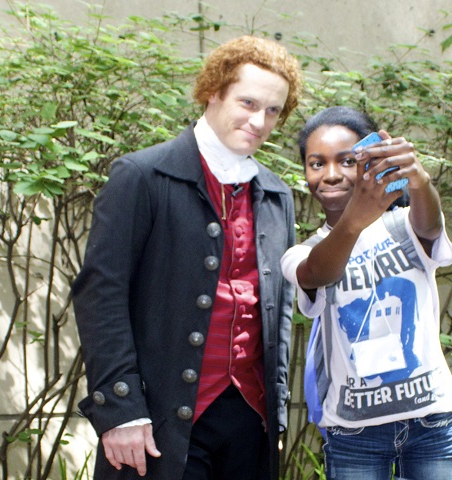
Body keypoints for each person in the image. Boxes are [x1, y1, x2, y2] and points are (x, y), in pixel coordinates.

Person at [72, 35, 302, 480]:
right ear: (213, 91)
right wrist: (119, 410)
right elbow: (102, 296)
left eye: (272, 110)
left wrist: (274, 412)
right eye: (247, 102)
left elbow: (280, 312)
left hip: (249, 419)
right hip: (158, 419)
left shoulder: (276, 195)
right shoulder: (141, 176)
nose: (259, 120)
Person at [281, 106, 452, 479]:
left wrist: (418, 178)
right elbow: (319, 272)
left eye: (346, 161)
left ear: (368, 161)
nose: (330, 174)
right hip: (354, 432)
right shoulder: (301, 252)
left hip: (431, 421)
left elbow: (429, 226)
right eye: (316, 163)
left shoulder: (404, 226)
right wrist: (356, 218)